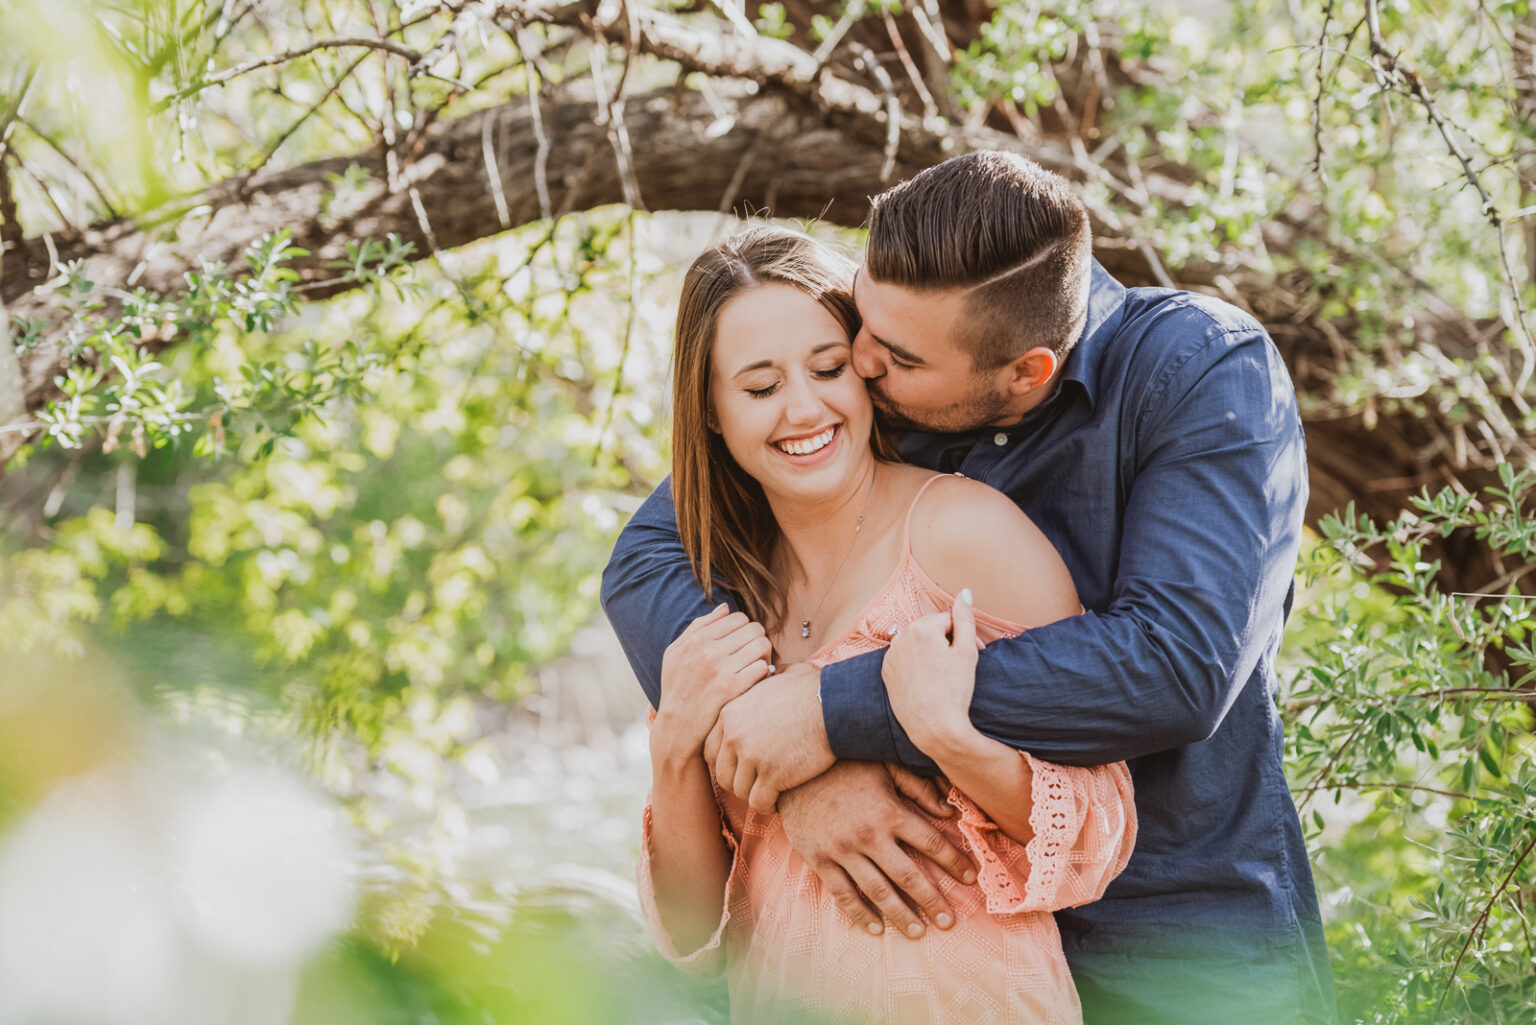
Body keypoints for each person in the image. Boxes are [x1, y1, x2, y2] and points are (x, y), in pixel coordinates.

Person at [604, 151, 1336, 1025]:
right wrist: (786, 766)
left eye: (890, 357)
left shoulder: (1199, 373)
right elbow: (647, 559)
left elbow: (1175, 665)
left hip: (1178, 947)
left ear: (1023, 373)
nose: (859, 364)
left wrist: (833, 711)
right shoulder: (869, 379)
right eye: (858, 321)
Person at [636, 225, 1135, 1024]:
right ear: (711, 415)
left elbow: (1100, 830)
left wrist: (947, 738)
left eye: (829, 369)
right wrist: (674, 748)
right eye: (760, 388)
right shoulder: (720, 600)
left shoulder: (964, 534)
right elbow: (694, 937)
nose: (806, 407)